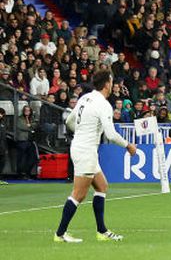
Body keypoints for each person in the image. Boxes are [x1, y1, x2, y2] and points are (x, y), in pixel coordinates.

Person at [55, 68, 138, 243]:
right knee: (78, 194)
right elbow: (110, 134)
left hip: (82, 147)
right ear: (107, 84)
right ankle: (60, 234)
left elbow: (69, 121)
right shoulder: (103, 104)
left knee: (102, 186)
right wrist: (128, 145)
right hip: (86, 150)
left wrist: (82, 132)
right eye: (112, 80)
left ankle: (102, 231)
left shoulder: (85, 97)